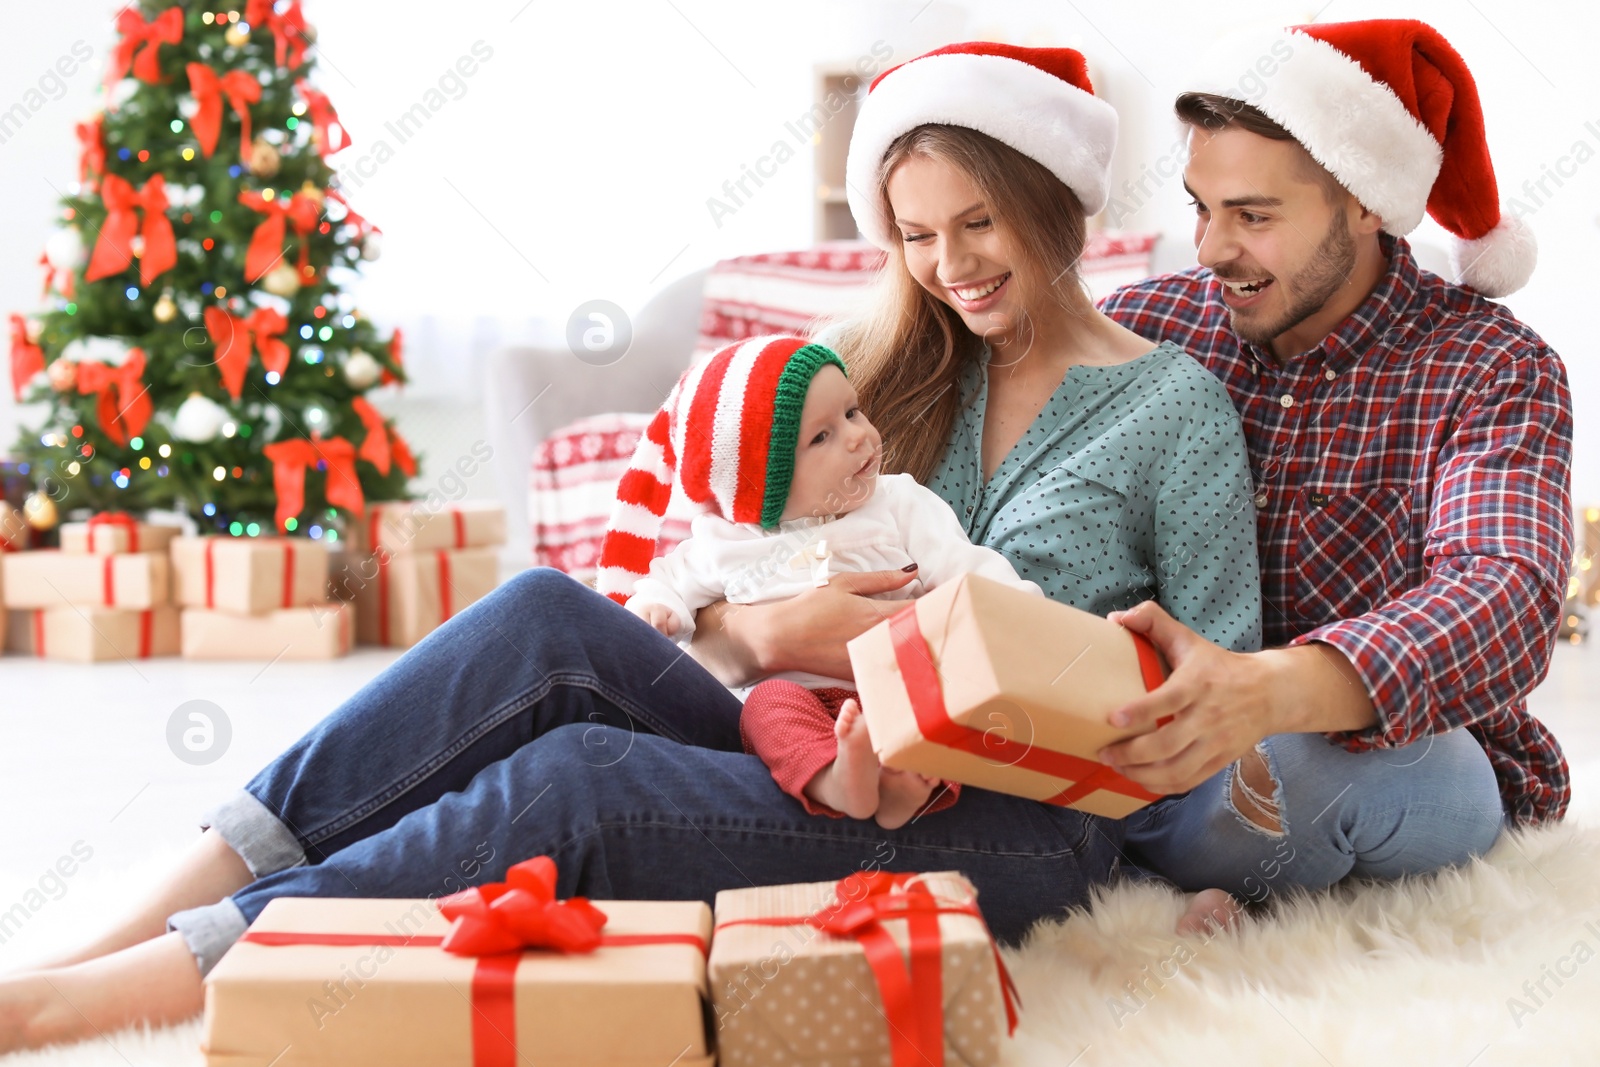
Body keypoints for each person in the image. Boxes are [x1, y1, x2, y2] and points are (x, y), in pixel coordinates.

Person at [0, 41, 1262, 1052]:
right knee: (541, 611)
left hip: (1007, 813)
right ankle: (123, 926)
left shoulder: (1173, 407)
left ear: (1054, 203)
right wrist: (750, 629)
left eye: (977, 223)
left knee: (580, 778)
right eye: (915, 235)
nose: (947, 265)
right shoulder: (879, 363)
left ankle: (113, 997)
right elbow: (700, 555)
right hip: (798, 724)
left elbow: (1221, 692)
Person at [1092, 19, 1572, 905]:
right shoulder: (1149, 326)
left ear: (1364, 201)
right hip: (1163, 736)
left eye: (1253, 215)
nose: (1209, 250)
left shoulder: (1493, 366)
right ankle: (1120, 849)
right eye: (1201, 206)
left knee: (1309, 775)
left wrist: (1272, 689)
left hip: (1400, 748)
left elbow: (1509, 589)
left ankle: (1103, 850)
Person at [598, 333, 1045, 828]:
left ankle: (906, 788)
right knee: (767, 709)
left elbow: (966, 566)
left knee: (943, 704)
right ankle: (836, 778)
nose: (858, 435)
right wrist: (656, 607)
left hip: (895, 682)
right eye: (822, 437)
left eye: (853, 412)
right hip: (801, 697)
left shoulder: (898, 503)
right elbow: (668, 579)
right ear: (764, 481)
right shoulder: (728, 541)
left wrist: (1021, 613)